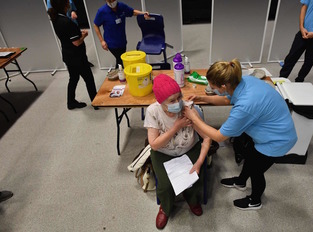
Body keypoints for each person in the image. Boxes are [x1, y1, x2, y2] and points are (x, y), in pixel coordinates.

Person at [184, 59, 298, 211]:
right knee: (251, 156)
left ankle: (255, 200)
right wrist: (202, 98)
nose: (210, 88)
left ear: (223, 86)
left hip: (277, 140)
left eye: (212, 86)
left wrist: (194, 119)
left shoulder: (245, 106)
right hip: (269, 130)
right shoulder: (243, 81)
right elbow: (226, 98)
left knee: (257, 171)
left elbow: (219, 136)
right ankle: (241, 181)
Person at [144, 74, 211, 229]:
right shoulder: (153, 112)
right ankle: (165, 208)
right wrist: (176, 127)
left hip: (189, 148)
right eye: (172, 101)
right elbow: (154, 145)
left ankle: (192, 200)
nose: (178, 103)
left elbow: (207, 138)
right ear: (161, 102)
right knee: (166, 185)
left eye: (179, 97)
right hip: (163, 152)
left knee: (194, 178)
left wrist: (200, 162)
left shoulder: (188, 109)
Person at [47, 0, 98, 110]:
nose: (69, 3)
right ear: (64, 5)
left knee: (73, 78)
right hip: (77, 57)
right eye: (67, 2)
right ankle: (95, 102)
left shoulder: (56, 19)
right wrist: (84, 35)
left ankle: (71, 102)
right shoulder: (67, 22)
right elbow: (76, 42)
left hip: (68, 55)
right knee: (89, 78)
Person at [93, 0, 149, 68]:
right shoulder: (102, 11)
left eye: (113, 0)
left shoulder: (121, 6)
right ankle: (120, 76)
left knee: (120, 61)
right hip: (111, 42)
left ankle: (119, 75)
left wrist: (143, 13)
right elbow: (96, 25)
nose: (112, 2)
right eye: (110, 1)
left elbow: (132, 12)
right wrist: (102, 41)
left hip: (122, 40)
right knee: (120, 60)